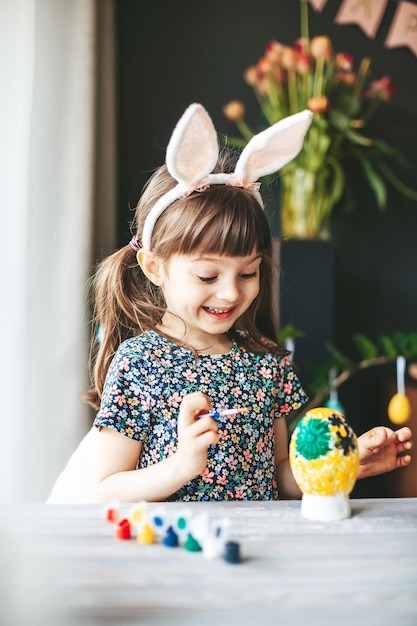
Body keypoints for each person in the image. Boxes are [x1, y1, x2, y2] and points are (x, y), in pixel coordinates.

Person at [47, 103, 413, 504]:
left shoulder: (266, 362)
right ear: (154, 268)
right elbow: (103, 489)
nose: (230, 293)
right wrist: (181, 466)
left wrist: (341, 466)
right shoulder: (140, 363)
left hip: (260, 552)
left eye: (248, 273)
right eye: (208, 276)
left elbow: (280, 478)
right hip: (176, 558)